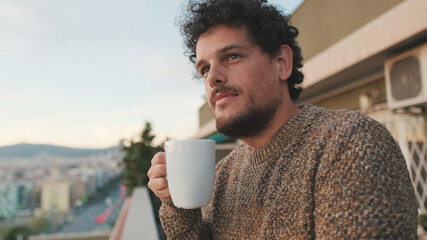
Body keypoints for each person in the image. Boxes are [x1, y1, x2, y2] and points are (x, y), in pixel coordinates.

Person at [147, 0, 418, 238]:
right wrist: (178, 205)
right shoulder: (223, 174)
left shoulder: (349, 142)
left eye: (232, 56)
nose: (213, 77)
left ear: (281, 63)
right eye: (204, 69)